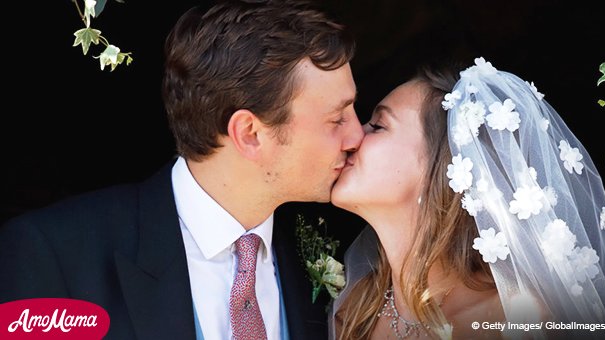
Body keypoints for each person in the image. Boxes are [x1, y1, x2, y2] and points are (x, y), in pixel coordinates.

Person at [0, 0, 363, 339]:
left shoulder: (335, 263)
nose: (357, 135)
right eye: (337, 118)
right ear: (249, 134)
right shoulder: (52, 254)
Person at [330, 58, 605, 339]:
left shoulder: (522, 320)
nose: (355, 135)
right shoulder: (354, 311)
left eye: (378, 125)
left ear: (442, 168)